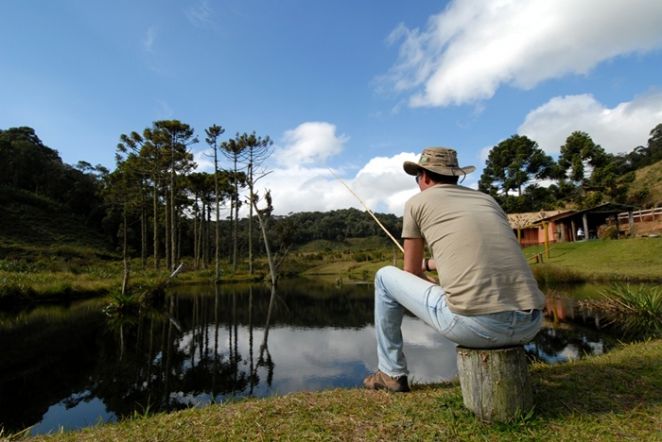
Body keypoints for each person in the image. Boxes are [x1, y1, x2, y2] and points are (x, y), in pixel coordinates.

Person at [363, 147, 545, 393]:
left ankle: (391, 372)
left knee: (384, 276)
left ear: (425, 177)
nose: (418, 182)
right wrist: (428, 267)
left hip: (479, 329)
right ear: (455, 176)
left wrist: (424, 275)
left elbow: (409, 271)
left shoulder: (416, 203)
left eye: (417, 176)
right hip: (530, 324)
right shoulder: (487, 200)